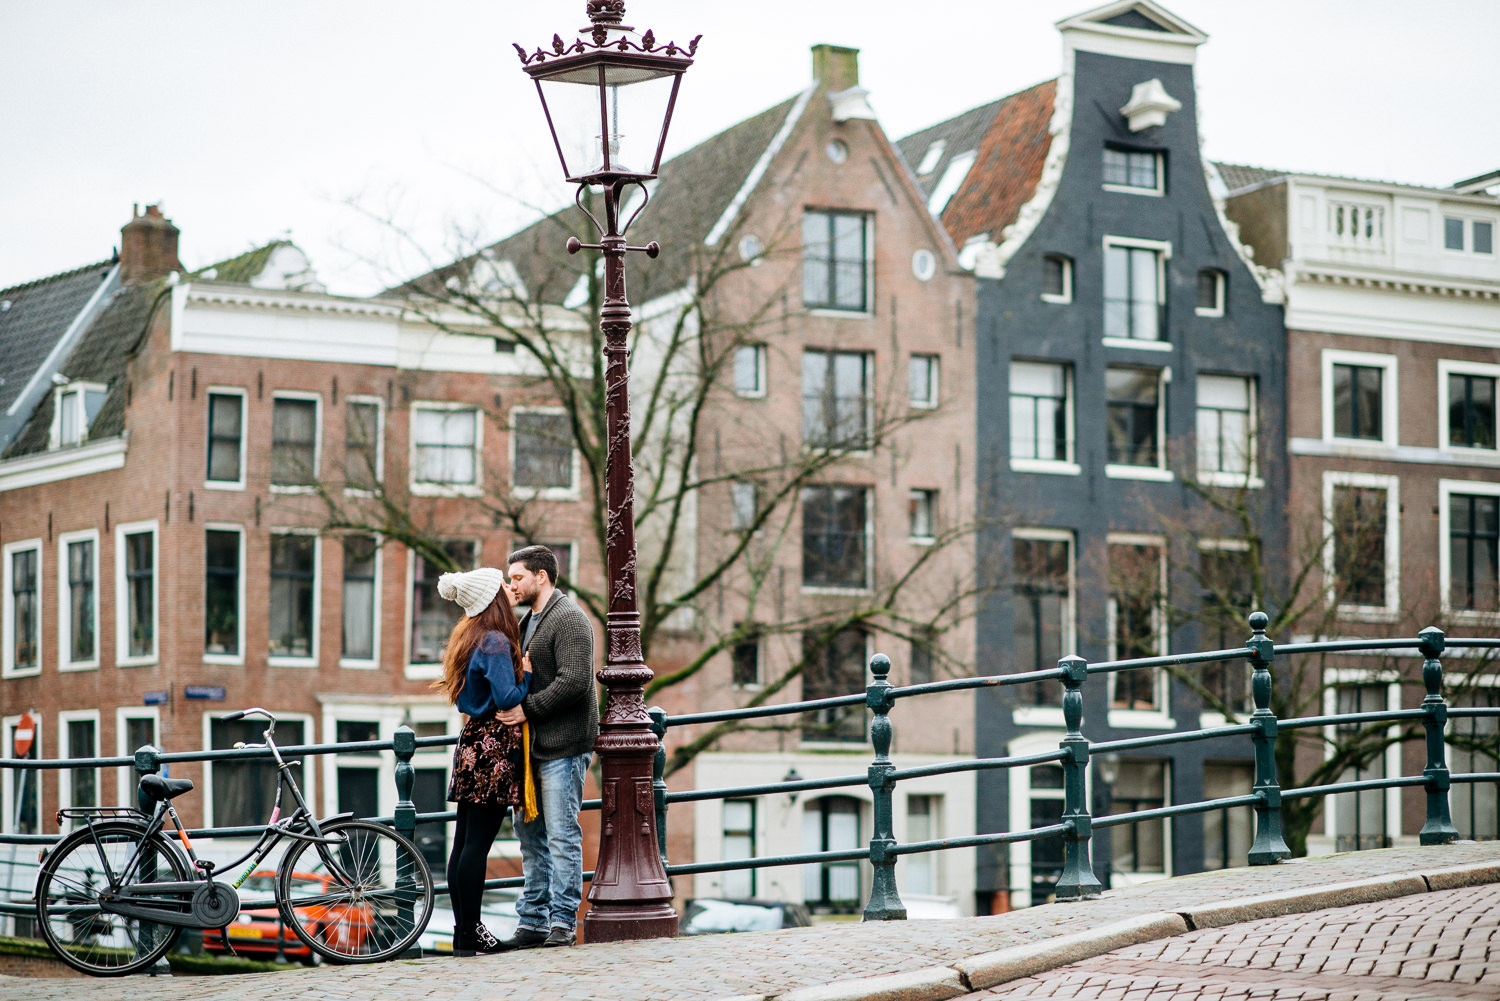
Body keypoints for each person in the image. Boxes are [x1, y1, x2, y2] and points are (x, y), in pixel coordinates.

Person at [493, 545, 598, 949]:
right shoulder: (526, 622)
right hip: (533, 751)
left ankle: (562, 922)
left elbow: (575, 681)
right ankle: (533, 921)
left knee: (560, 836)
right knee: (530, 836)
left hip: (563, 747)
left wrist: (527, 710)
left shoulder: (569, 619)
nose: (512, 584)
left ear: (542, 576)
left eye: (517, 577)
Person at [432, 567, 535, 957]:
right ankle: (471, 934)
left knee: (463, 844)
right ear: (493, 597)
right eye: (503, 586)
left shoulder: (471, 636)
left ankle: (464, 936)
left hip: (474, 742)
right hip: (492, 747)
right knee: (477, 845)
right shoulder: (493, 641)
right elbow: (508, 698)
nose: (511, 590)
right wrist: (525, 675)